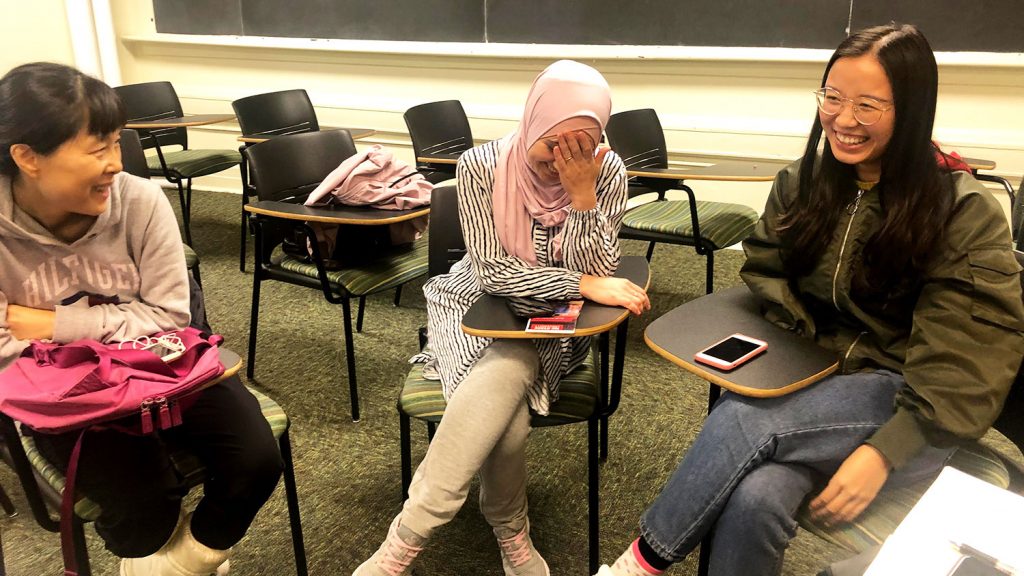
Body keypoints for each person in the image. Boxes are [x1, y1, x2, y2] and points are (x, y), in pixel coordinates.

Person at [595, 24, 1024, 576]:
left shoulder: (961, 211)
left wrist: (884, 451)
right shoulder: (804, 184)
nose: (843, 120)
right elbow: (765, 267)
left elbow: (965, 365)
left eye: (868, 105)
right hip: (815, 386)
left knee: (743, 417)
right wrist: (804, 344)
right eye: (833, 98)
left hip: (908, 404)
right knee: (756, 500)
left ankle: (636, 566)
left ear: (911, 109)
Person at [354, 60, 650, 576]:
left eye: (581, 149)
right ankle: (511, 532)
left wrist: (582, 197)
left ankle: (404, 541)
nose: (562, 163)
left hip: (561, 324)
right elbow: (495, 275)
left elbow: (601, 268)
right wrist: (577, 282)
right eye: (552, 148)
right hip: (472, 305)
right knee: (508, 412)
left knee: (509, 378)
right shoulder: (480, 166)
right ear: (534, 119)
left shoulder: (607, 172)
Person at [0, 62, 284, 575]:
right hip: (65, 391)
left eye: (116, 143)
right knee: (145, 506)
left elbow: (171, 316)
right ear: (28, 157)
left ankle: (179, 565)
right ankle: (155, 557)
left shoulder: (139, 200)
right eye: (96, 149)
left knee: (257, 461)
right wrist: (120, 324)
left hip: (165, 364)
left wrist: (52, 326)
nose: (114, 163)